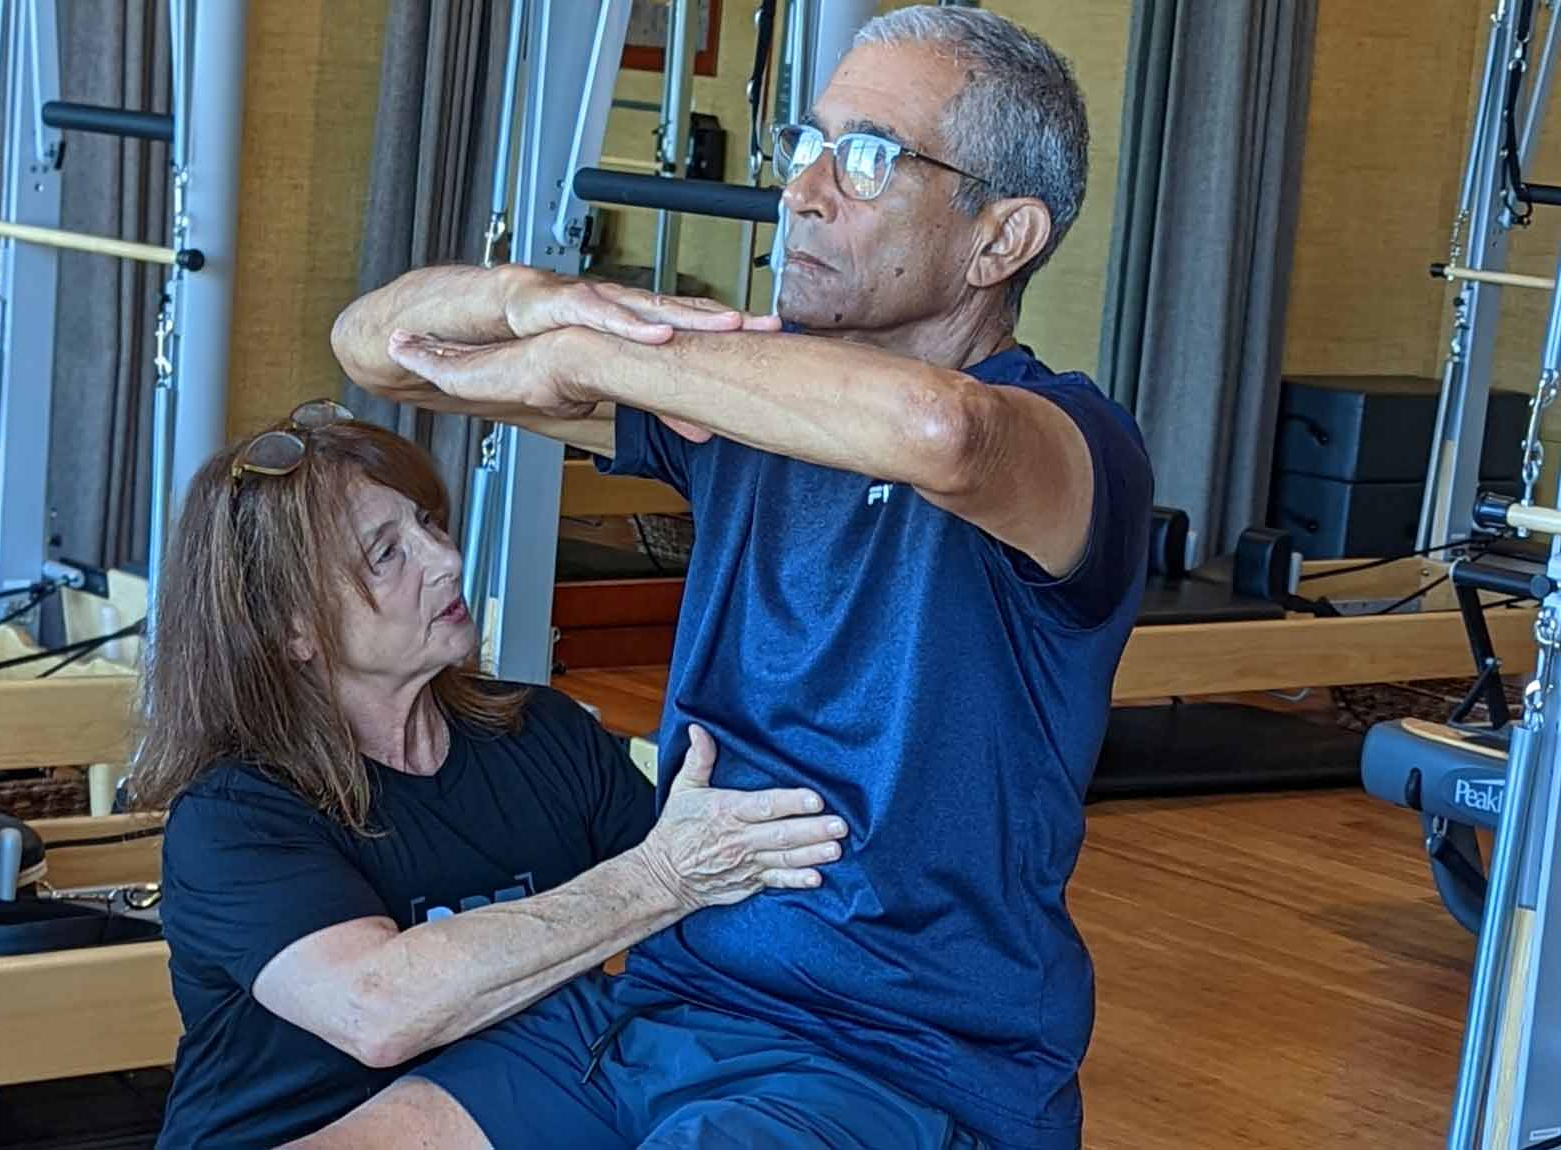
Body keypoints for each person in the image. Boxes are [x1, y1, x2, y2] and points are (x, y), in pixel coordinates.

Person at [304, 7, 1151, 1150]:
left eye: (866, 159)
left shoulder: (1073, 446)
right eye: (804, 146)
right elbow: (373, 347)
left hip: (899, 1061)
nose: (803, 192)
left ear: (1000, 240)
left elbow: (940, 433)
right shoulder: (732, 415)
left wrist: (595, 360)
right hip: (662, 1002)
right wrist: (536, 305)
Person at [131, 404, 853, 1150]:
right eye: (387, 554)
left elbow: (706, 919)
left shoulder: (545, 734)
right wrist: (663, 876)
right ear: (292, 629)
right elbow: (378, 1011)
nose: (444, 559)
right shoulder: (235, 816)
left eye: (428, 525)